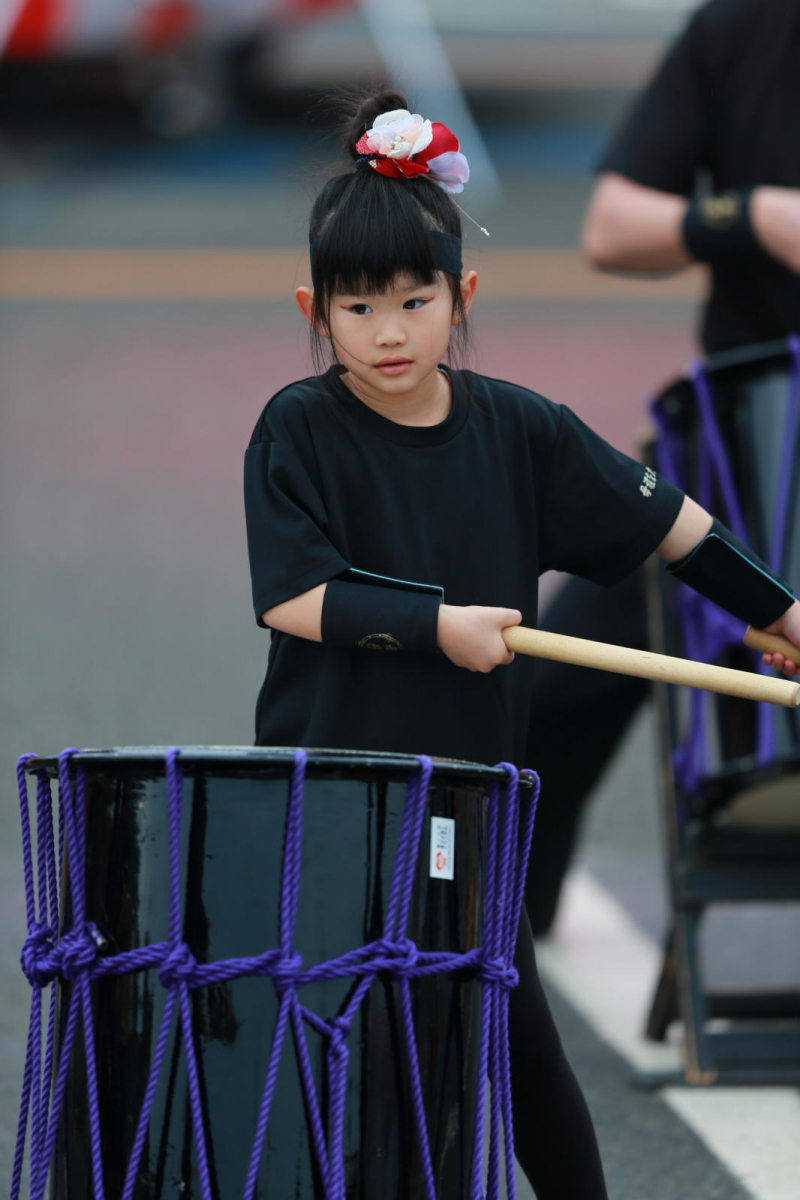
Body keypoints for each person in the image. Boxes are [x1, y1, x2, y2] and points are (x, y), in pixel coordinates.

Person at [243, 88, 800, 1198]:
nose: (389, 331)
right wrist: (434, 626)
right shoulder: (296, 429)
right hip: (336, 790)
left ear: (462, 295)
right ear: (314, 308)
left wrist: (781, 615)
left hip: (469, 795)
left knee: (510, 1033)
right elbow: (292, 597)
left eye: (414, 299)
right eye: (357, 309)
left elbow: (670, 523)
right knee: (335, 1033)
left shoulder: (519, 429)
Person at [525, 0, 800, 936]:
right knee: (550, 697)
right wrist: (751, 216)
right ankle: (501, 929)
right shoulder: (744, 28)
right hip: (744, 449)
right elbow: (610, 227)